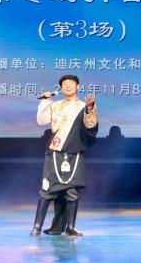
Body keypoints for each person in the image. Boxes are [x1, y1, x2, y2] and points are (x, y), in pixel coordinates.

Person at [30, 74, 98, 236]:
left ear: (78, 86)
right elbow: (41, 120)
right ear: (60, 88)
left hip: (74, 152)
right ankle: (37, 227)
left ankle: (70, 227)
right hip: (55, 152)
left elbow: (91, 126)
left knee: (72, 192)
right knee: (47, 190)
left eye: (71, 83)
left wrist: (89, 109)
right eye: (64, 84)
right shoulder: (55, 105)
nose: (67, 86)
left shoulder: (84, 106)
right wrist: (45, 101)